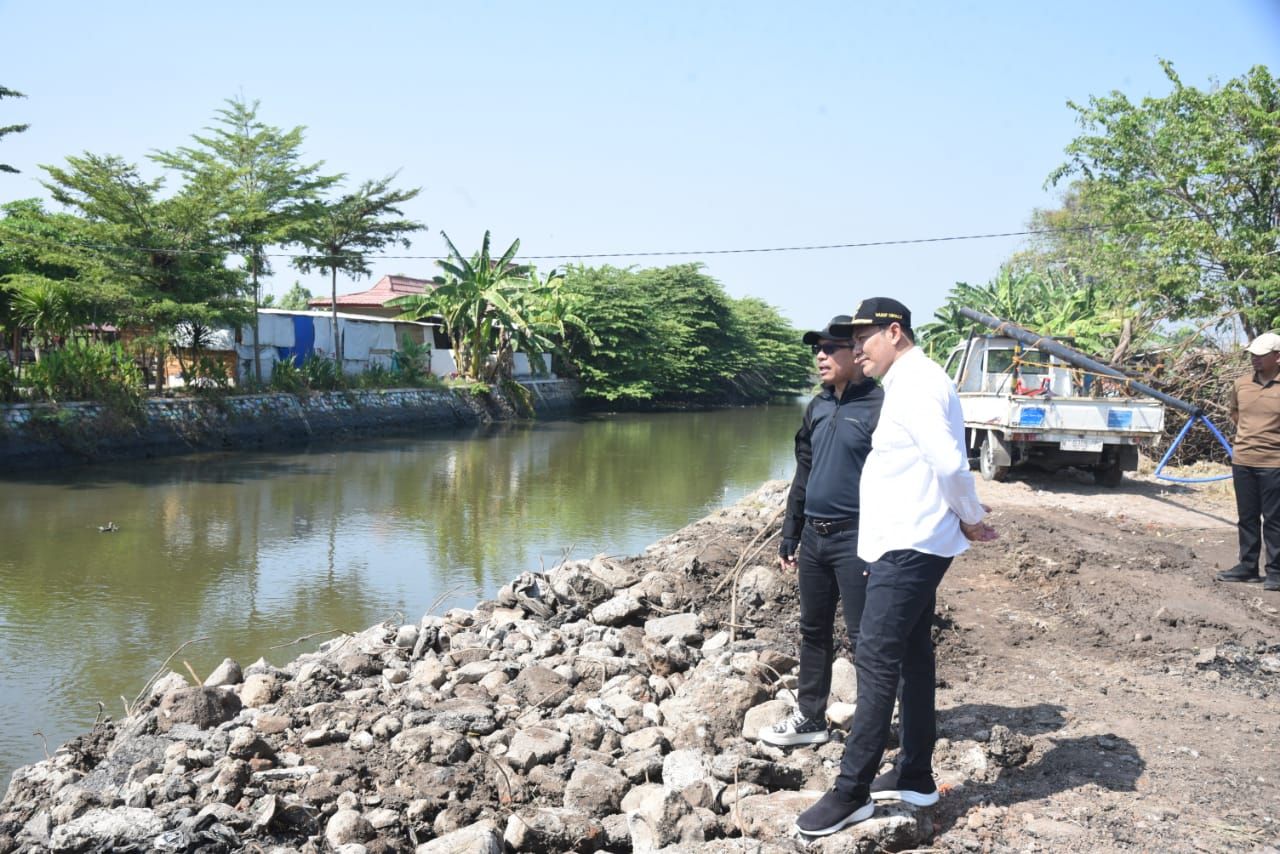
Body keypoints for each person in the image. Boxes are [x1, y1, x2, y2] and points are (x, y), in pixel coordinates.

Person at [795, 297, 998, 838]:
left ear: (895, 332)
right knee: (912, 653)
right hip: (906, 541)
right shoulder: (911, 382)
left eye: (865, 339)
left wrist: (972, 519)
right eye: (853, 342)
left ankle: (852, 790)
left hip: (910, 546)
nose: (856, 350)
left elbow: (951, 462)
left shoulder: (915, 384)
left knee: (876, 657)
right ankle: (915, 773)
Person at [760, 315, 883, 747]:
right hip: (814, 537)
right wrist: (790, 533)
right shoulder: (818, 406)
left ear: (857, 353)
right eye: (818, 349)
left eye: (831, 349)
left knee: (865, 636)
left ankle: (876, 726)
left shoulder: (880, 407)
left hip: (858, 539)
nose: (821, 357)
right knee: (813, 630)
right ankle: (810, 718)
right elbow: (804, 472)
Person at [1216, 331, 1280, 592]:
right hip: (1243, 459)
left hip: (1274, 462)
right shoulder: (1241, 384)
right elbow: (1235, 413)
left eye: (1261, 356)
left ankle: (1275, 572)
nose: (1255, 360)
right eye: (1253, 355)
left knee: (1275, 519)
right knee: (1247, 517)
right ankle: (1247, 567)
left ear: (1277, 357)